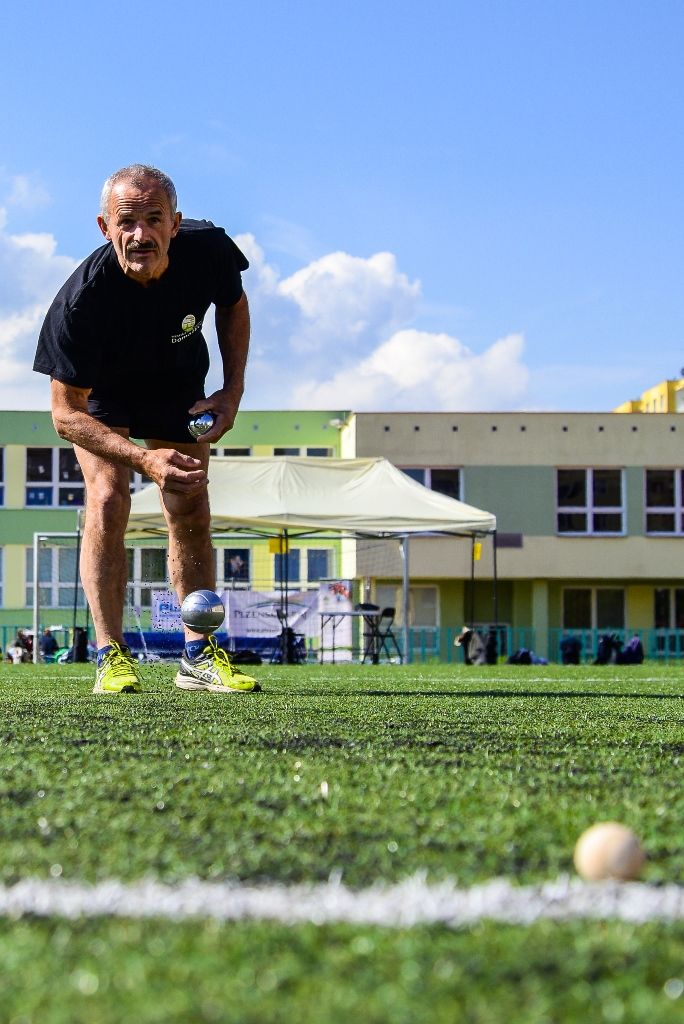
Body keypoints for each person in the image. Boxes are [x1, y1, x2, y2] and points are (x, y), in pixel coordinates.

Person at [33, 164, 259, 696]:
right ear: (104, 227)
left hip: (176, 382)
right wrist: (142, 460)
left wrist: (232, 391)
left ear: (175, 224)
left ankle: (199, 654)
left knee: (189, 500)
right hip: (104, 396)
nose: (141, 235)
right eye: (127, 222)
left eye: (153, 219)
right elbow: (66, 416)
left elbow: (234, 306)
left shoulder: (209, 250)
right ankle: (111, 656)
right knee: (109, 498)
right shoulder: (79, 303)